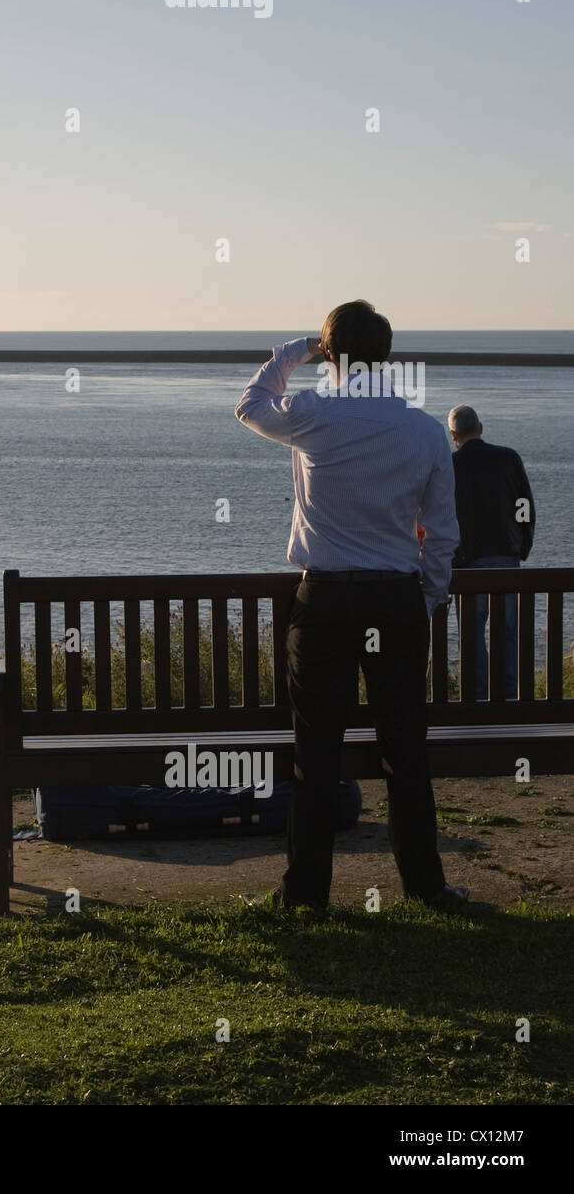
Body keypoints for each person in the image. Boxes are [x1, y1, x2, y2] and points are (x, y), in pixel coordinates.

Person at [235, 300, 466, 909]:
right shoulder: (423, 430)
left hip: (327, 601)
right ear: (388, 356)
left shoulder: (313, 413)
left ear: (331, 355)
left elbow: (250, 405)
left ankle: (305, 893)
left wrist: (294, 351)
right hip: (395, 602)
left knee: (315, 753)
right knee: (405, 750)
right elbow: (442, 534)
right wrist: (427, 598)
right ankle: (426, 885)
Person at [447, 405, 534, 701]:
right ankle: (509, 696)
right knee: (508, 633)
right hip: (505, 559)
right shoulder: (509, 458)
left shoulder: (450, 465)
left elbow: (439, 514)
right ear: (480, 428)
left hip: (467, 564)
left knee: (472, 636)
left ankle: (477, 698)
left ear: (453, 434)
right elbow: (524, 507)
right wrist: (522, 546)